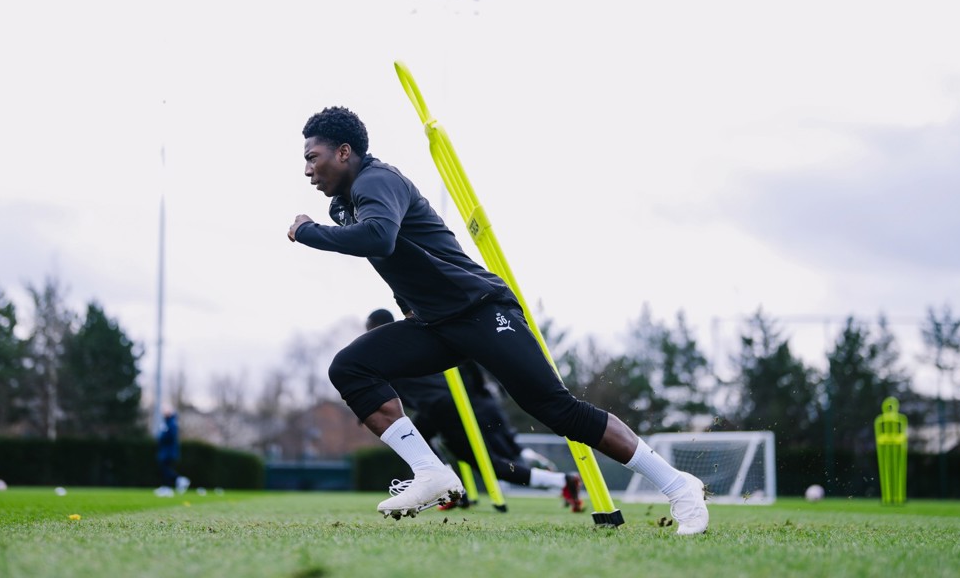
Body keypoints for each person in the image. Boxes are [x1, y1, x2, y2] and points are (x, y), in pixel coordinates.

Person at [288, 106, 708, 534]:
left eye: (312, 157)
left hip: (481, 310)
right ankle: (431, 473)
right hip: (436, 323)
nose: (307, 170)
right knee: (350, 368)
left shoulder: (378, 180)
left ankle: (679, 486)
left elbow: (380, 237)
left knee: (559, 411)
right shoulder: (345, 205)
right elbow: (397, 256)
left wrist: (307, 231)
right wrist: (407, 306)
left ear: (343, 152)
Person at [365, 308, 585, 512]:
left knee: (489, 465)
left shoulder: (382, 354)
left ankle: (561, 481)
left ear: (372, 328)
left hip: (444, 409)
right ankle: (451, 489)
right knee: (419, 435)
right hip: (444, 407)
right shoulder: (406, 343)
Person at [155, 408, 190, 497]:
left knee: (166, 469)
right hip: (165, 451)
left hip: (168, 452)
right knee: (164, 469)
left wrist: (161, 437)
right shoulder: (167, 423)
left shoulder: (172, 423)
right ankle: (167, 487)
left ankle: (176, 481)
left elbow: (169, 436)